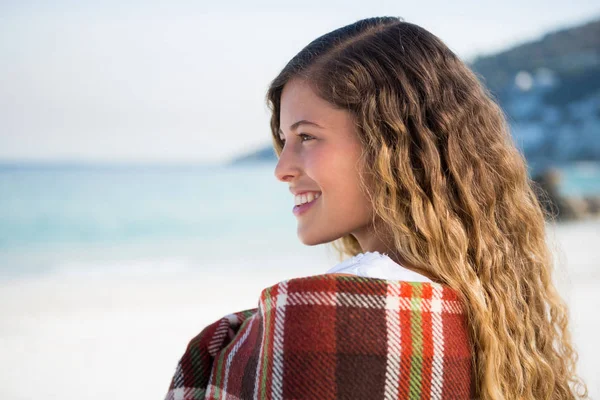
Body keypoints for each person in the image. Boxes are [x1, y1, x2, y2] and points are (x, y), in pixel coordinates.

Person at [164, 17, 588, 399]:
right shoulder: (494, 317)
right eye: (283, 141)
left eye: (307, 137)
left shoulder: (315, 320)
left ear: (392, 145)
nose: (282, 169)